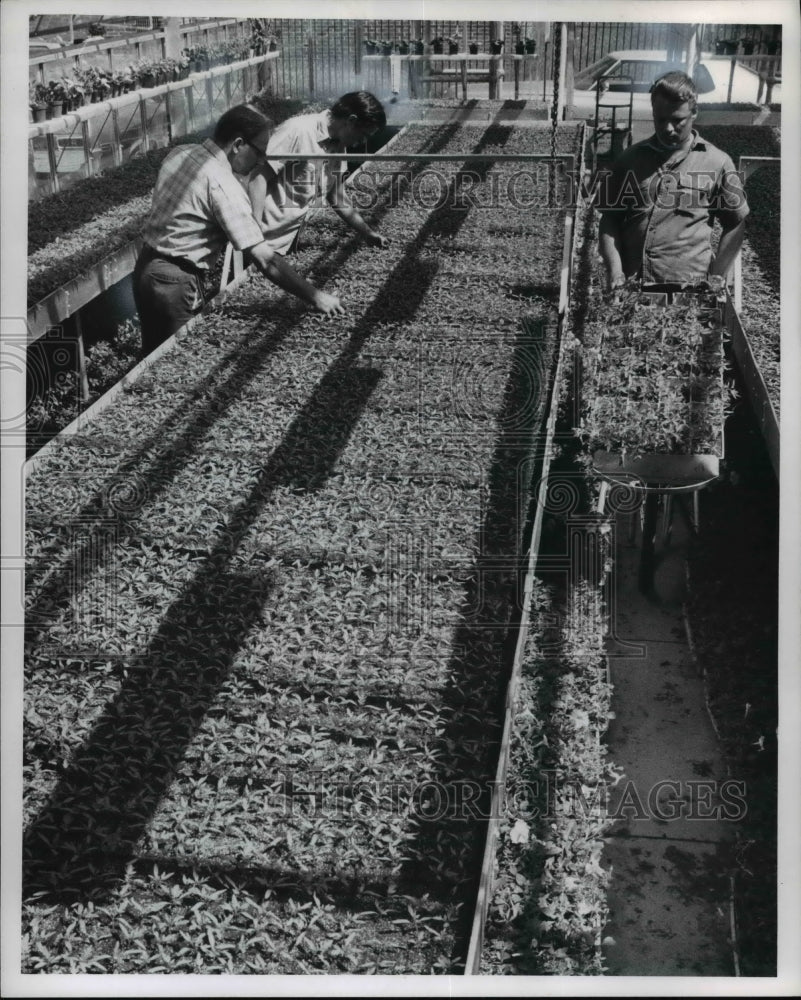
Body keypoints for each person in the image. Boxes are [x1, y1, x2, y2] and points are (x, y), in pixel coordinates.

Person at [133, 104, 343, 357]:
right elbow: (267, 260)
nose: (263, 160)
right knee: (174, 357)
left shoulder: (180, 153)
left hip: (145, 268)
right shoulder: (223, 185)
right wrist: (316, 296)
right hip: (174, 281)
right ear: (238, 144)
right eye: (259, 152)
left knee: (151, 353)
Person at [597, 71, 749, 291]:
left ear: (694, 112)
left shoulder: (718, 162)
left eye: (677, 120)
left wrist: (716, 277)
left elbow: (736, 222)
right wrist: (615, 271)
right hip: (633, 287)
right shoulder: (629, 160)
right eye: (660, 119)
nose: (668, 128)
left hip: (690, 290)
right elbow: (609, 220)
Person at [248, 91, 389, 256]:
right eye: (364, 135)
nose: (363, 141)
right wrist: (253, 234)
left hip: (288, 240)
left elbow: (336, 195)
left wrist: (367, 233)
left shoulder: (339, 145)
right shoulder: (298, 130)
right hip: (262, 238)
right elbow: (257, 176)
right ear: (351, 121)